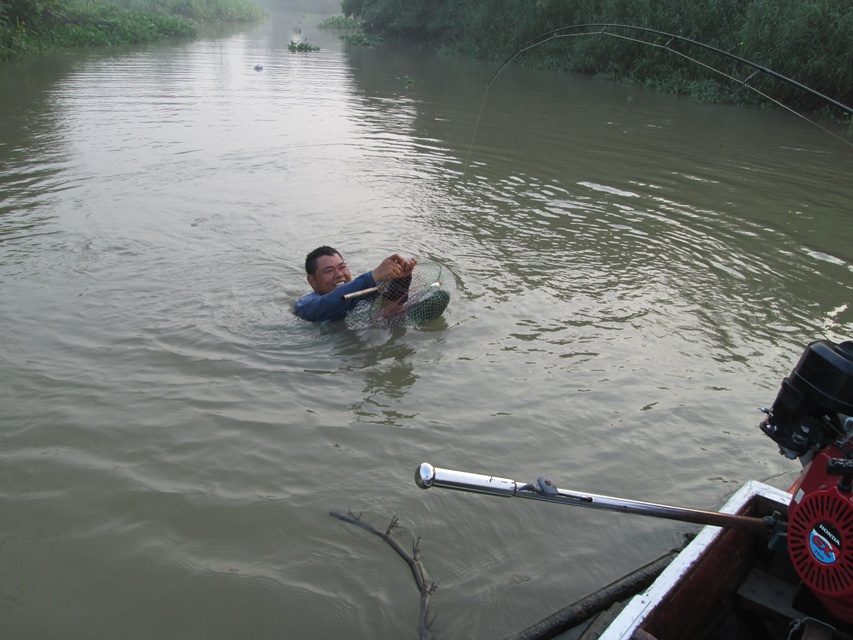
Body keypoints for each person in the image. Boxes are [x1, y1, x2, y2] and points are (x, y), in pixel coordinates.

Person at [293, 246, 418, 322]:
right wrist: (374, 275)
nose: (339, 274)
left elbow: (392, 299)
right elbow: (327, 304)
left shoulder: (362, 288)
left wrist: (401, 278)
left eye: (342, 267)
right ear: (312, 281)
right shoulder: (304, 305)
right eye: (329, 271)